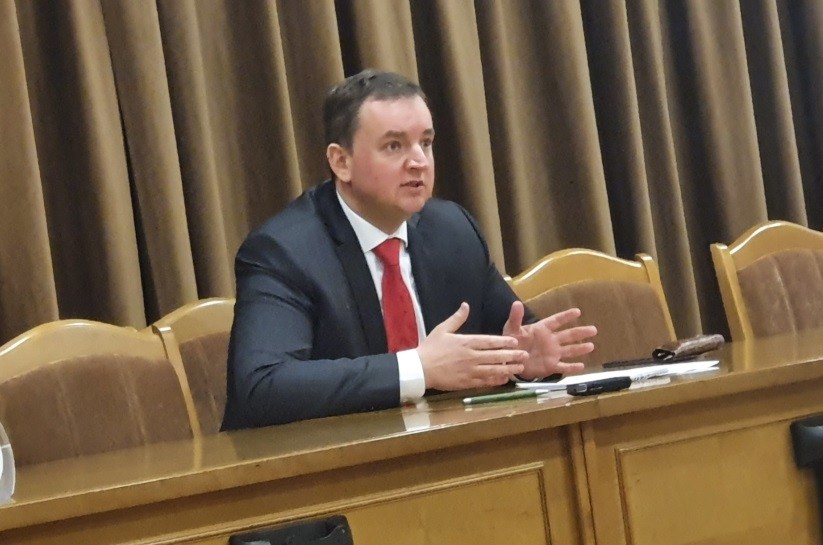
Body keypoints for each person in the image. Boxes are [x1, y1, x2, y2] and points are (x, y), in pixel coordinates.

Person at [222, 69, 597, 430]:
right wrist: (418, 369)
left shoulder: (453, 232)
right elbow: (263, 387)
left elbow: (514, 337)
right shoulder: (285, 251)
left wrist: (519, 362)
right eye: (394, 146)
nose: (418, 161)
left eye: (426, 143)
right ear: (341, 162)